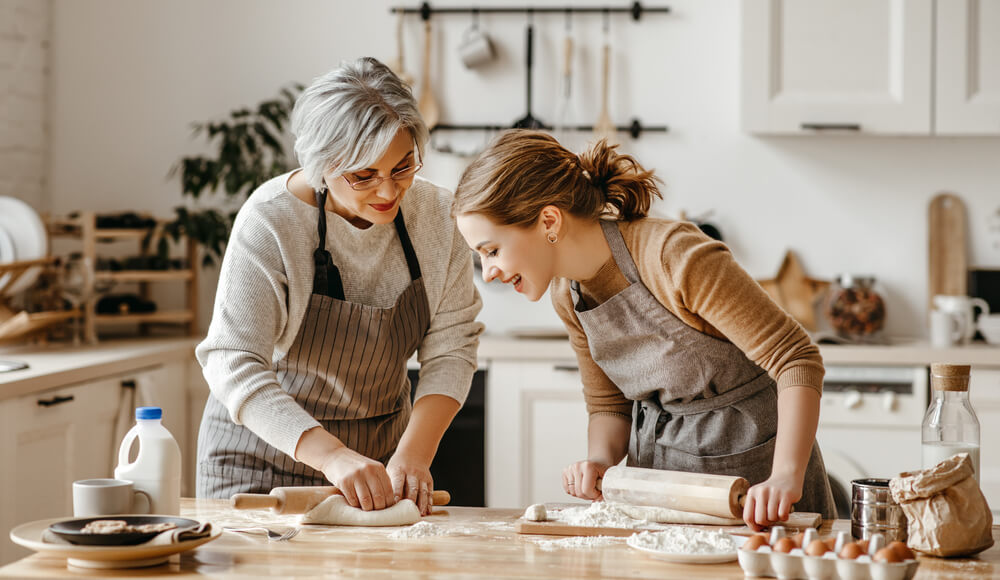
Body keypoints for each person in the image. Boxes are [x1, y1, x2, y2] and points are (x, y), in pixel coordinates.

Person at [451, 130, 835, 529]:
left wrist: (785, 476)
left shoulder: (674, 257)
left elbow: (796, 359)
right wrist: (599, 461)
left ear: (549, 220)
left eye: (491, 250)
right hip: (658, 484)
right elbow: (607, 404)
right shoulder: (567, 293)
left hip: (755, 483)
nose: (489, 271)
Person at [196, 57, 483, 516]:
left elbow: (452, 348)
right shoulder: (271, 220)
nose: (388, 191)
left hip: (377, 468)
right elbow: (234, 360)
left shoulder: (438, 217)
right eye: (363, 175)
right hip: (260, 465)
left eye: (403, 166)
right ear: (319, 166)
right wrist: (330, 456)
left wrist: (414, 454)